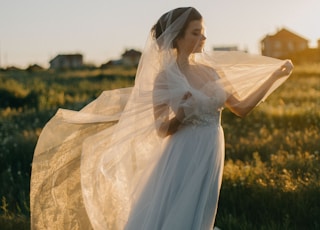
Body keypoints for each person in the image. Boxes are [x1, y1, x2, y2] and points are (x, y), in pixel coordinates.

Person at [30, 7, 293, 230]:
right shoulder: (165, 78)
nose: (203, 37)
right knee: (177, 213)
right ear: (177, 38)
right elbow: (161, 130)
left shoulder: (212, 72)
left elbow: (242, 108)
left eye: (202, 31)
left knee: (200, 213)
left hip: (211, 149)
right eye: (196, 32)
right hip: (182, 153)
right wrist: (180, 115)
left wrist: (275, 77)